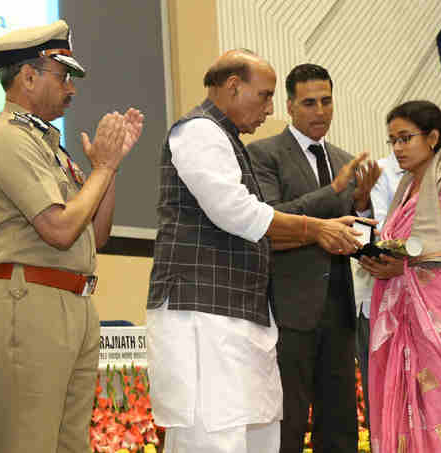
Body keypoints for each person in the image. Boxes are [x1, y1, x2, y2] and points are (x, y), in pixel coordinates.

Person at [146, 51, 365, 453]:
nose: (269, 109)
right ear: (233, 87)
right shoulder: (199, 131)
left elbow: (257, 228)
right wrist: (315, 228)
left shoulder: (228, 139)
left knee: (257, 436)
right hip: (203, 313)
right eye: (264, 97)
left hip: (238, 314)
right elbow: (237, 213)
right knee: (212, 439)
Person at [0, 20, 144, 453]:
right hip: (29, 303)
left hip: (71, 303)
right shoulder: (8, 139)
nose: (72, 89)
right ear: (28, 76)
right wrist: (100, 170)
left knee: (71, 444)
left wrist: (111, 169)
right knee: (28, 444)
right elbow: (60, 229)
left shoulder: (48, 144)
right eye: (62, 76)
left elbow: (96, 235)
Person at [247, 63, 381, 453]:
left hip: (340, 311)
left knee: (340, 424)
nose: (320, 110)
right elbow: (272, 219)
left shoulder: (344, 158)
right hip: (287, 310)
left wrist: (360, 201)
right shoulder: (263, 154)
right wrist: (335, 189)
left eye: (326, 101)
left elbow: (354, 231)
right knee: (286, 423)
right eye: (309, 103)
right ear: (289, 106)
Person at [360, 100, 441, 453]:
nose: (398, 149)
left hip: (438, 325)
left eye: (406, 138)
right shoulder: (405, 189)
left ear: (432, 137)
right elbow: (406, 247)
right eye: (393, 141)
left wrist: (403, 269)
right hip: (403, 321)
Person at [351, 151, 403, 432]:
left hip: (427, 305)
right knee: (382, 402)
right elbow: (360, 237)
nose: (401, 146)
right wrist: (360, 204)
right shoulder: (378, 172)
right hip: (376, 303)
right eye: (396, 138)